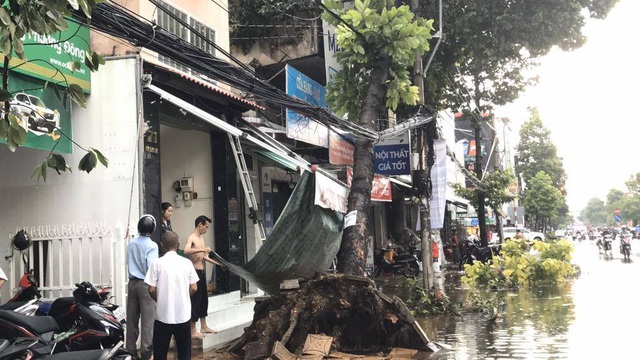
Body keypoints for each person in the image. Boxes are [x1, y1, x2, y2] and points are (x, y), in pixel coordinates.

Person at [146, 231, 198, 360]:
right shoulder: (187, 263)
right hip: (183, 316)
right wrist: (184, 296)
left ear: (162, 245)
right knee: (184, 353)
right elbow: (194, 287)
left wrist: (161, 299)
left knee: (160, 353)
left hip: (163, 316)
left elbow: (151, 289)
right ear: (178, 245)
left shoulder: (157, 263)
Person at [183, 215, 224, 338]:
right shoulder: (192, 238)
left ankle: (204, 326)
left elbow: (204, 256)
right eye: (205, 227)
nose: (206, 229)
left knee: (203, 300)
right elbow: (186, 251)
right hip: (194, 272)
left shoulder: (201, 239)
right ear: (200, 225)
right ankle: (192, 329)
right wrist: (200, 249)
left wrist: (218, 264)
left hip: (201, 271)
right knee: (195, 300)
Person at [126, 215, 159, 360]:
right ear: (152, 229)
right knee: (147, 320)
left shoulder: (131, 244)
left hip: (132, 283)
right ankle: (146, 353)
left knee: (132, 319)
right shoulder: (152, 246)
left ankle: (130, 351)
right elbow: (151, 268)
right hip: (145, 284)